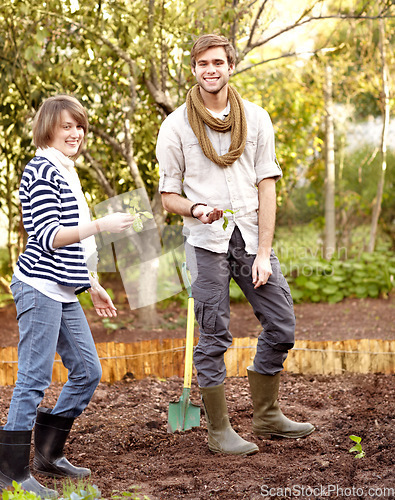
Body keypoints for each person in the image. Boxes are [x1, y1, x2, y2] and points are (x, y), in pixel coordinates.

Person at [156, 34, 315, 456]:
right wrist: (195, 208)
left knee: (281, 325)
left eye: (218, 62)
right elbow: (168, 195)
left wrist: (264, 252)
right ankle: (219, 431)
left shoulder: (257, 119)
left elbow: (267, 186)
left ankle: (266, 415)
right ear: (194, 69)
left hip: (248, 237)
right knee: (213, 335)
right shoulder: (175, 126)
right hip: (206, 241)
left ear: (230, 66)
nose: (211, 69)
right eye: (203, 63)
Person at [0, 95, 134, 498]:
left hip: (62, 288)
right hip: (39, 287)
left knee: (88, 371)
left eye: (79, 126)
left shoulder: (65, 170)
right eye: (66, 126)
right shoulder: (41, 170)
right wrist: (101, 224)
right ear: (48, 128)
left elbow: (69, 245)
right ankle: (11, 472)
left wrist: (91, 284)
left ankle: (46, 450)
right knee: (34, 378)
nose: (75, 133)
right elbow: (48, 236)